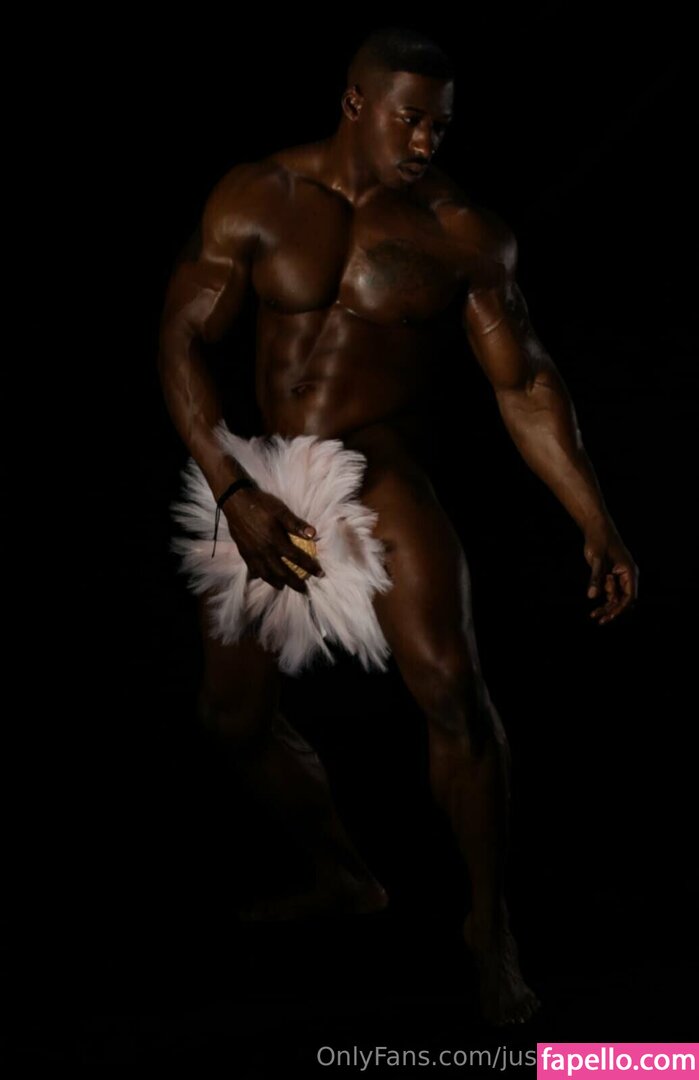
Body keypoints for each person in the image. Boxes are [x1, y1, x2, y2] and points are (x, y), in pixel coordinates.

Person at [156, 25, 639, 1026]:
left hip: (377, 467)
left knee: (453, 689)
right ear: (354, 104)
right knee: (230, 720)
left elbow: (524, 385)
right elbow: (182, 341)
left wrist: (594, 516)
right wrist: (233, 490)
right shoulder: (258, 195)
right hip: (259, 473)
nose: (426, 141)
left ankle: (488, 930)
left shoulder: (460, 232)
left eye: (440, 126)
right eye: (410, 119)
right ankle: (344, 876)